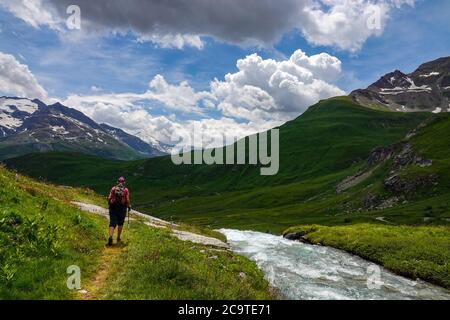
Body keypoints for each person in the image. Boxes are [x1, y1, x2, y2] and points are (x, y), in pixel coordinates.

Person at [107, 176, 131, 246]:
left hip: (113, 207)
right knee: (120, 223)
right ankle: (118, 237)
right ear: (124, 182)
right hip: (122, 208)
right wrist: (129, 206)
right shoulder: (126, 190)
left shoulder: (113, 188)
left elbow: (109, 197)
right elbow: (127, 199)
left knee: (112, 223)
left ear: (117, 182)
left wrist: (110, 204)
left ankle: (110, 237)